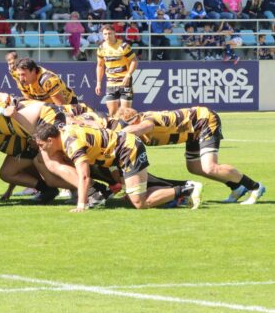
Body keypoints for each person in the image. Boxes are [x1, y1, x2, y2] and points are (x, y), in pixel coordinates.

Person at [33, 122, 202, 211]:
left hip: (128, 150)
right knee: (131, 195)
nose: (42, 149)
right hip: (117, 153)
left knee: (139, 202)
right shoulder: (63, 132)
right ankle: (179, 193)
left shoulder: (71, 144)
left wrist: (81, 204)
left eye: (41, 145)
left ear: (50, 140)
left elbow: (84, 177)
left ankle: (186, 189)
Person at [118, 107, 266, 205]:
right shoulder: (139, 127)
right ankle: (237, 187)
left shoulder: (146, 120)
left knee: (210, 167)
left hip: (204, 121)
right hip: (192, 133)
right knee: (194, 167)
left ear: (133, 122)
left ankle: (255, 187)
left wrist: (119, 134)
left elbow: (146, 126)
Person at [95, 25, 137, 115]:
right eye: (105, 34)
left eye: (110, 33)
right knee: (112, 113)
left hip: (124, 82)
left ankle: (124, 128)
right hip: (111, 83)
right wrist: (98, 83)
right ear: (102, 35)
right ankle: (114, 128)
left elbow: (134, 61)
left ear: (114, 33)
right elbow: (100, 66)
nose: (107, 36)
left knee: (125, 113)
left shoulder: (123, 46)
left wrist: (128, 75)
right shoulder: (101, 48)